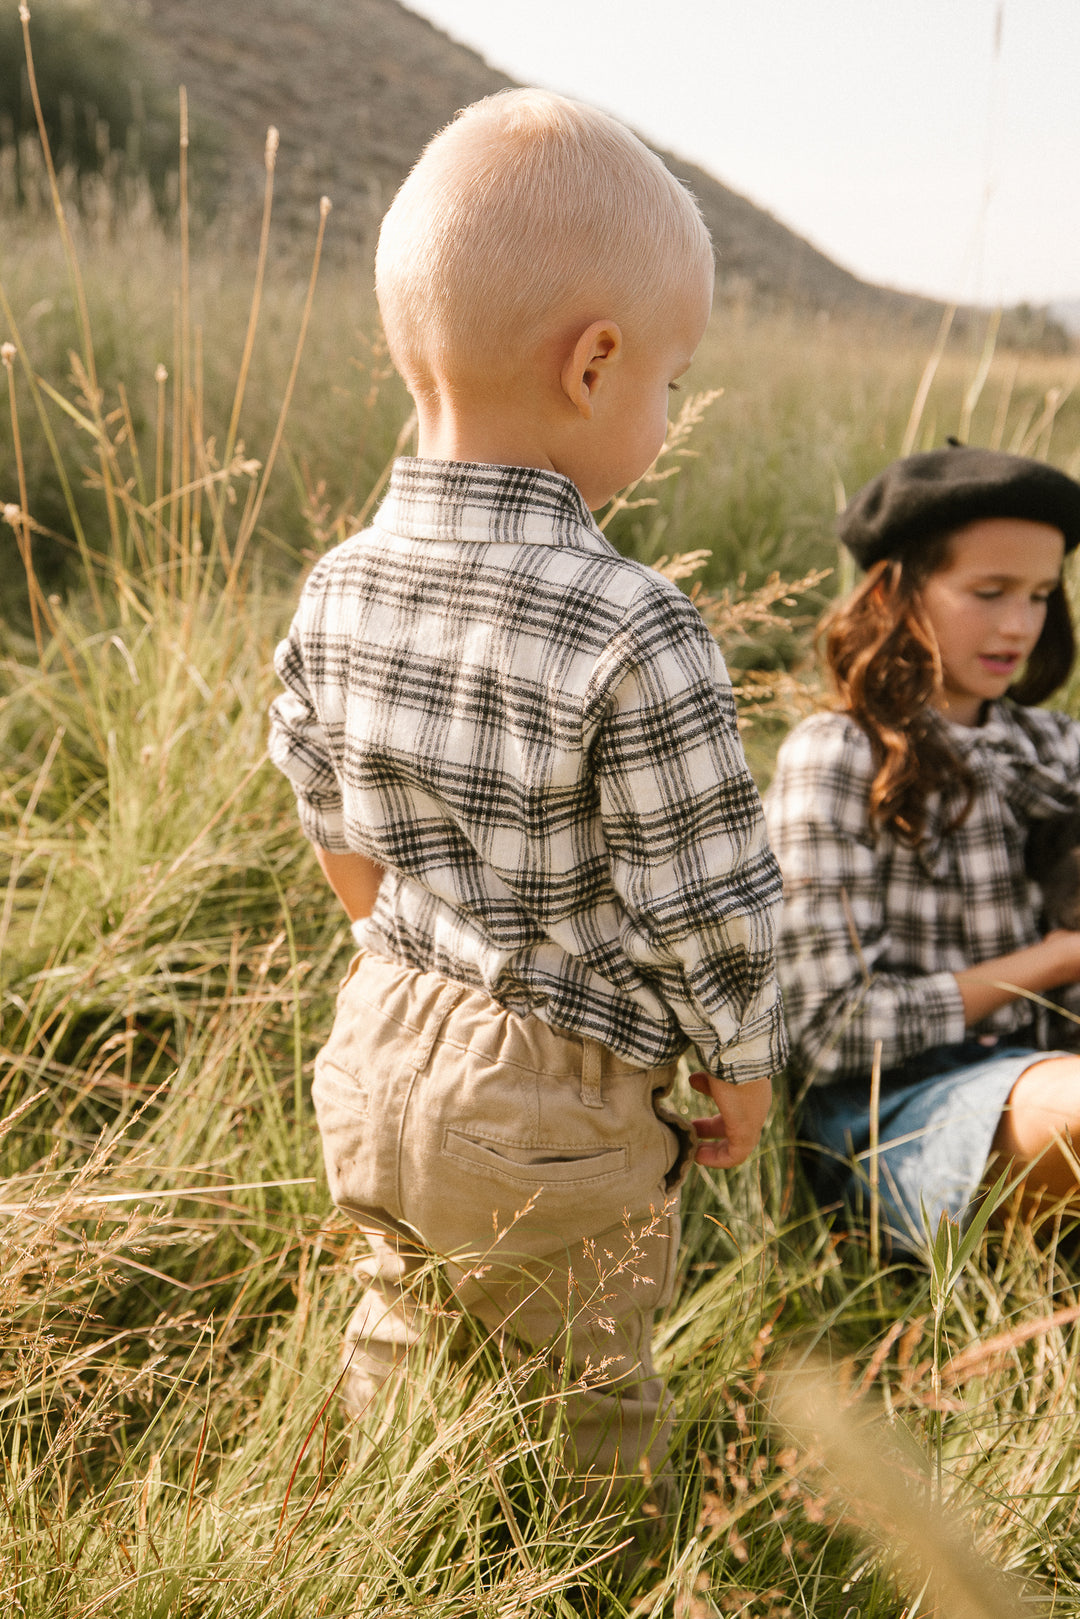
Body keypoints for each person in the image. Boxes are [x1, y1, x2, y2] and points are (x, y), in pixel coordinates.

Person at [267, 88, 786, 1502]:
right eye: (672, 380)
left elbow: (329, 813)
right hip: (558, 1089)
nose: (669, 413)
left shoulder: (339, 581)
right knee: (586, 1390)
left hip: (373, 1049)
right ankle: (589, 1575)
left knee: (403, 1316)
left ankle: (394, 1535)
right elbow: (706, 894)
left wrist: (412, 947)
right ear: (596, 364)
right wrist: (736, 1059)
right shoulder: (634, 620)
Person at [764, 444, 1080, 1254]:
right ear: (898, 593)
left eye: (1041, 595)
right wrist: (1052, 961)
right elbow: (831, 1030)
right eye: (989, 591)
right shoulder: (837, 756)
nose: (1019, 624)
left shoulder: (1057, 749)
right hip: (897, 1110)